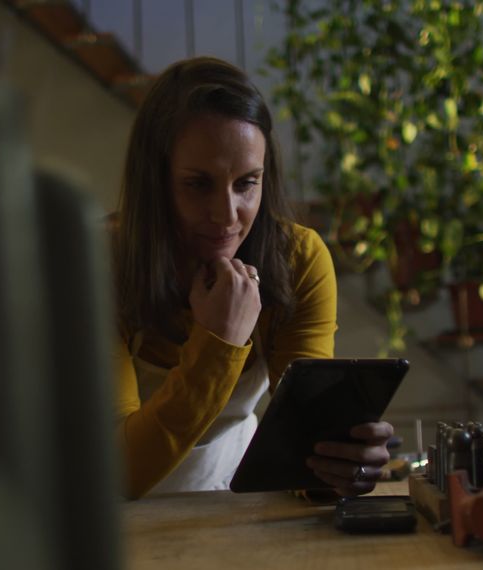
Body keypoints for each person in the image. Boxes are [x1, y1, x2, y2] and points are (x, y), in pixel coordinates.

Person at [112, 56, 395, 499]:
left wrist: (339, 470)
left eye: (247, 183)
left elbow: (308, 444)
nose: (227, 217)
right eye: (198, 184)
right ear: (155, 180)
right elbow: (116, 472)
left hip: (230, 508)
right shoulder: (98, 263)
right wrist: (219, 340)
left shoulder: (297, 259)